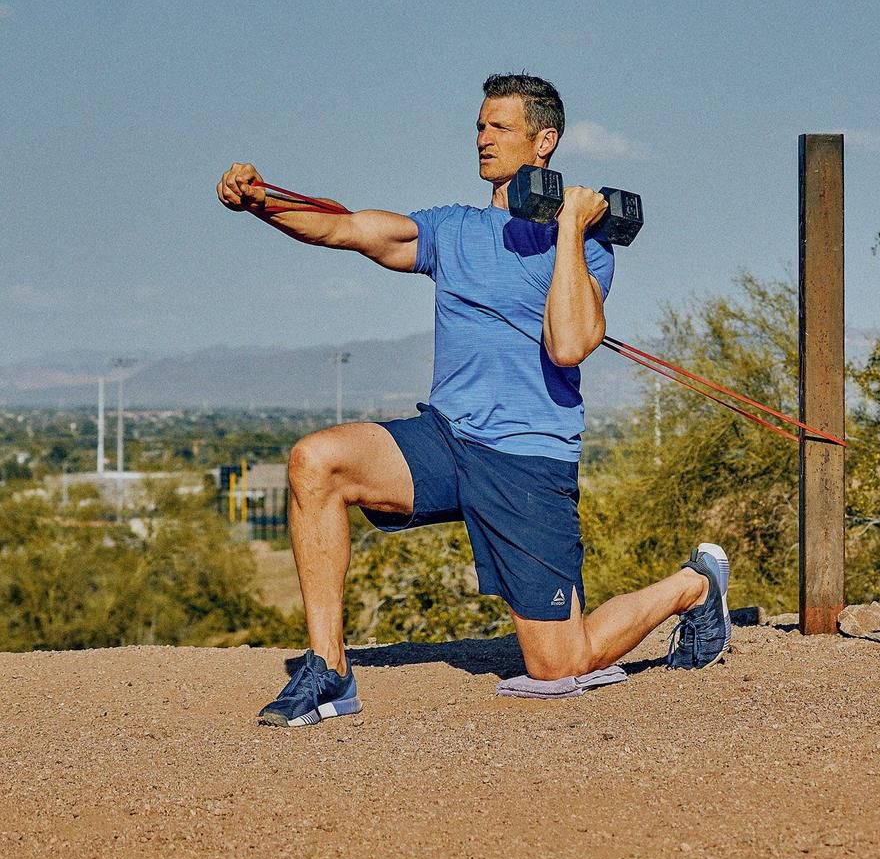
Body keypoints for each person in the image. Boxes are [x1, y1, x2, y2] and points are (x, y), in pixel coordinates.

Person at [216, 73, 730, 727]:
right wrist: (262, 201)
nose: (483, 137)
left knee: (560, 665)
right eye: (480, 126)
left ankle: (694, 585)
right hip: (448, 442)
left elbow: (570, 343)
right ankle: (328, 669)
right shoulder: (450, 230)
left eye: (500, 127)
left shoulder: (586, 248)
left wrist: (570, 225)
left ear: (545, 141)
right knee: (317, 460)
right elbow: (347, 227)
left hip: (526, 460)